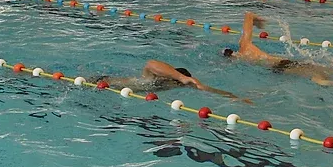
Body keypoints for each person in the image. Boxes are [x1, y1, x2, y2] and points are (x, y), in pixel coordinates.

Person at [222, 12, 333, 87]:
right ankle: (321, 80)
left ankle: (322, 80)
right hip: (280, 64)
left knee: (312, 70)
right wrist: (257, 22)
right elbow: (248, 15)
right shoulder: (245, 46)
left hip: (277, 68)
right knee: (315, 70)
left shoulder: (242, 58)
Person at [99, 60, 249, 102]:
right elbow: (150, 63)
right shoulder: (150, 78)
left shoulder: (166, 86)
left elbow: (206, 89)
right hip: (98, 83)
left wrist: (233, 96)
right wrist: (181, 78)